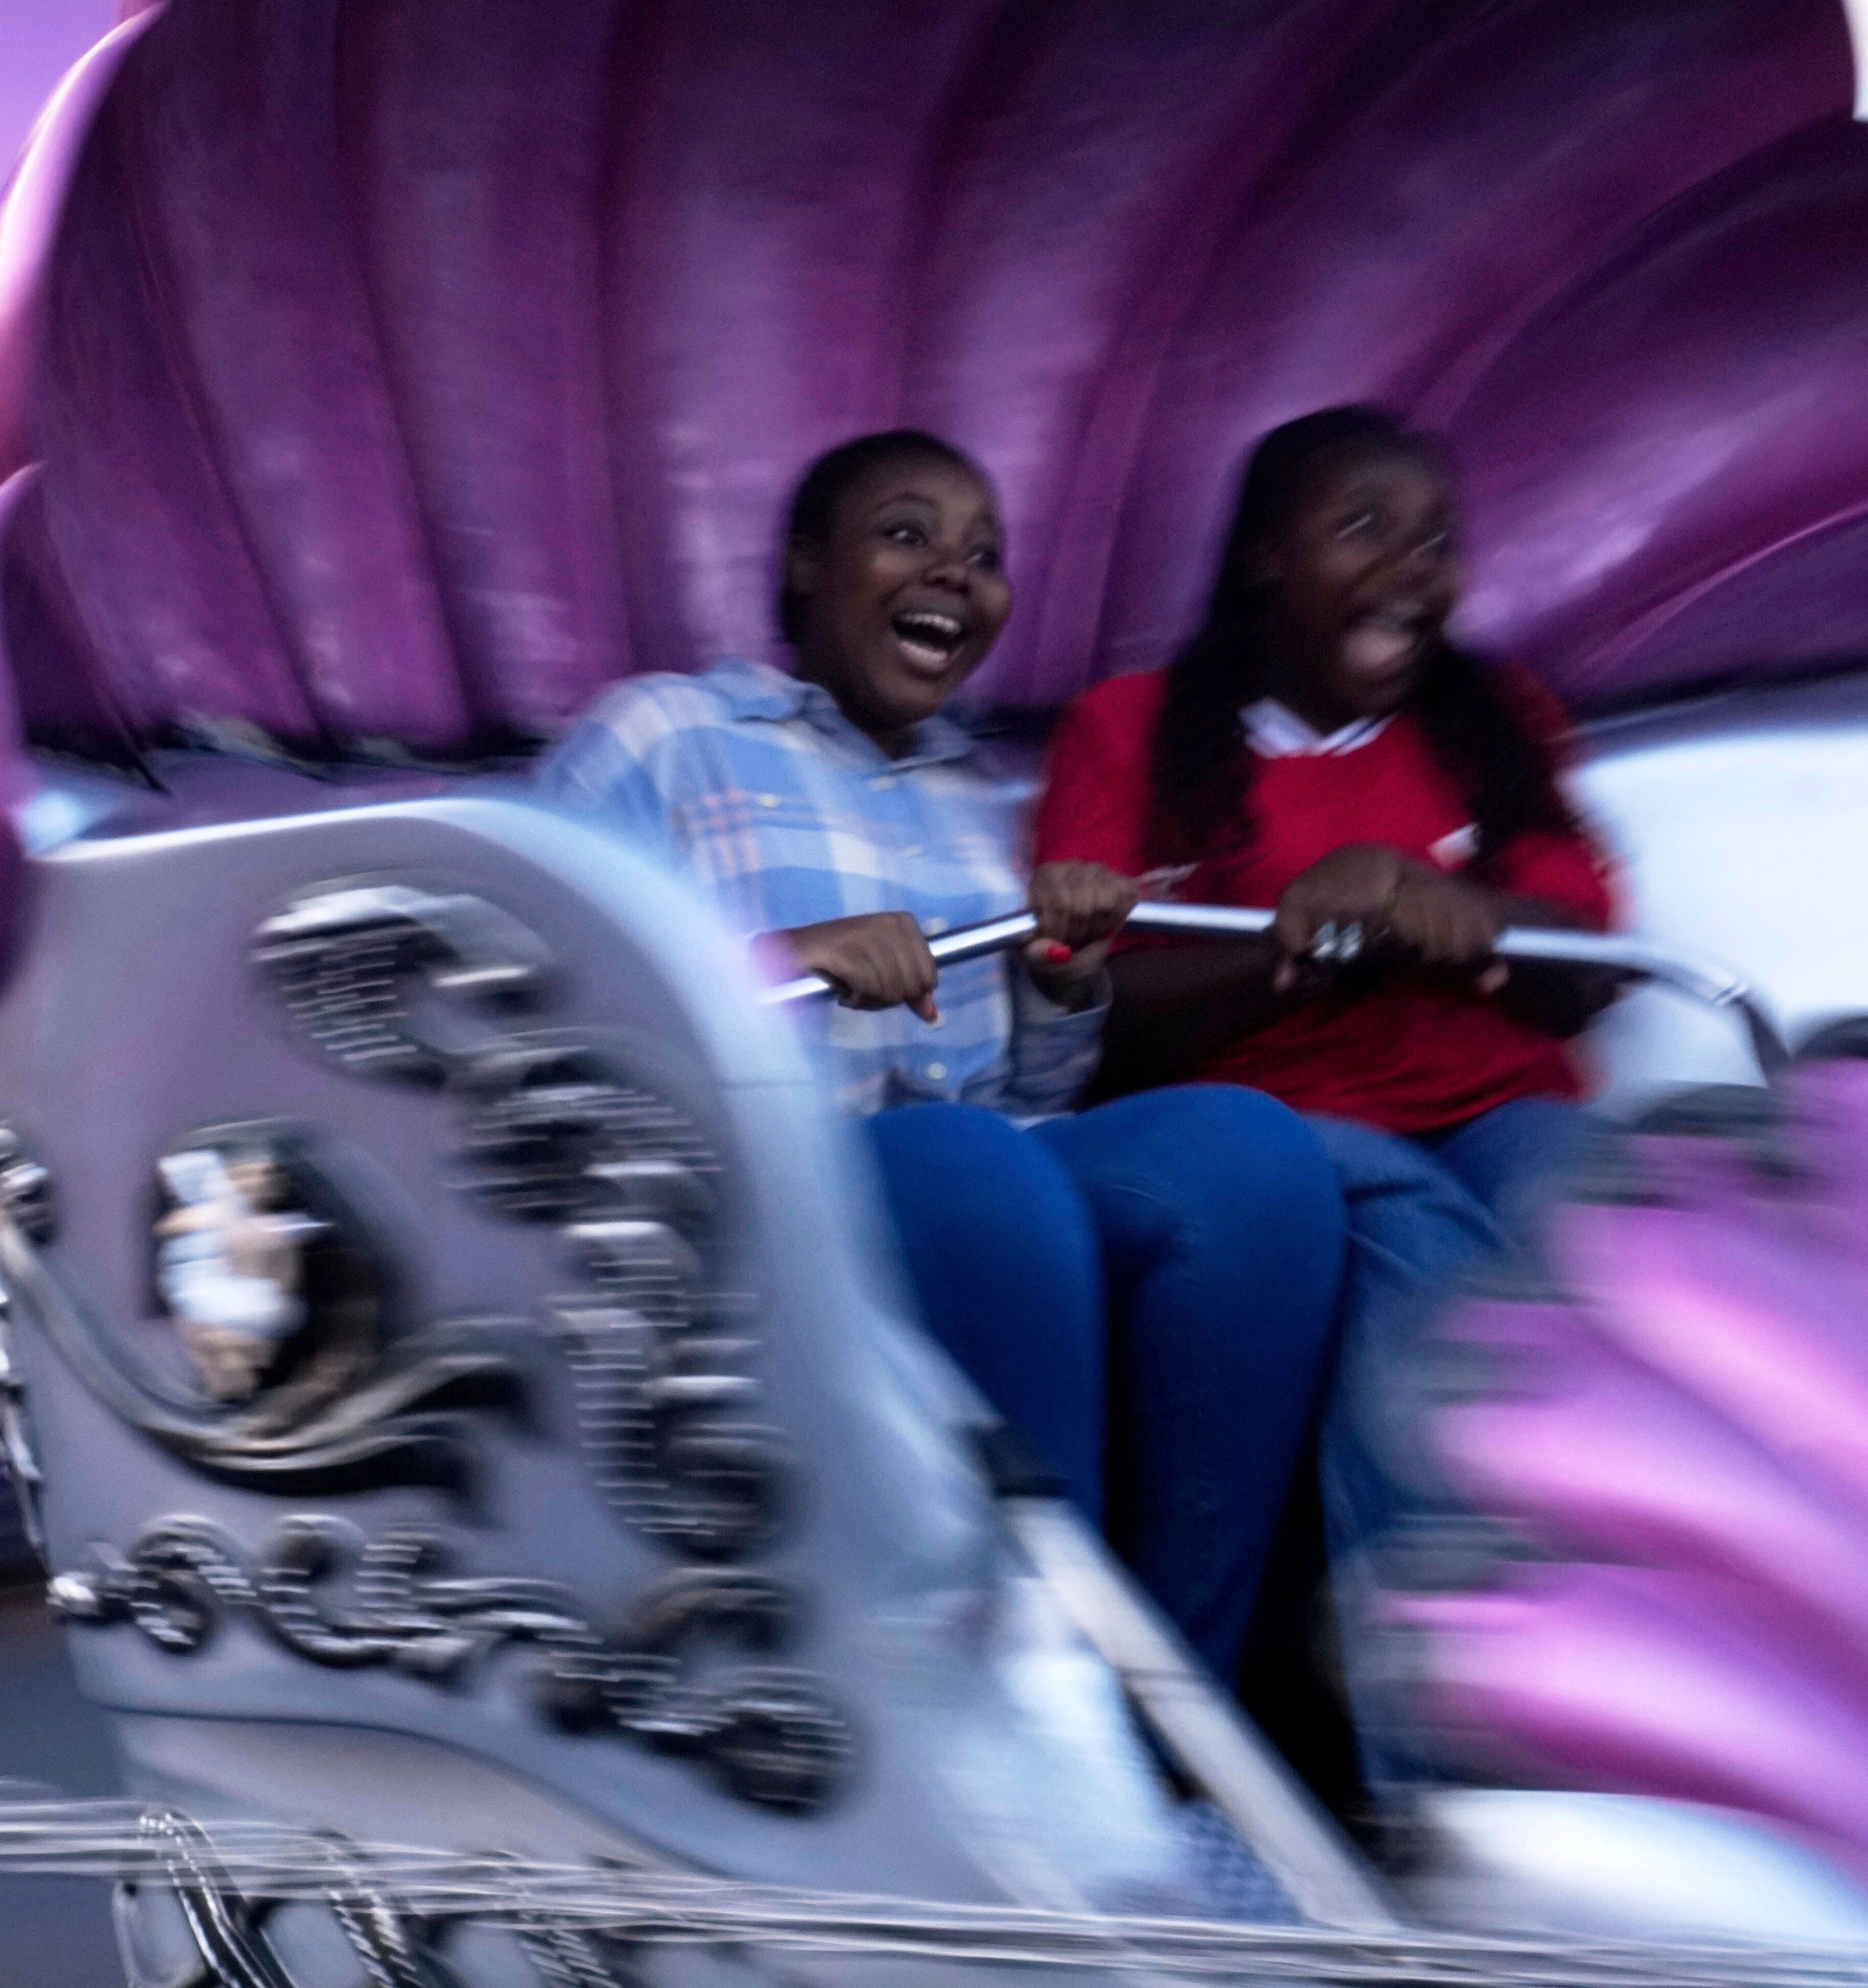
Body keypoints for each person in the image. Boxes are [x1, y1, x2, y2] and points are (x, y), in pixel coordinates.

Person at [536, 429, 1388, 1681]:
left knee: (1245, 1148)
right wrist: (782, 959)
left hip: (980, 1156)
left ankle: (1172, 1702)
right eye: (906, 535)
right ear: (806, 571)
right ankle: (1033, 1699)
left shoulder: (974, 800)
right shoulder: (666, 731)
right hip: (757, 1175)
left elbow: (1036, 1093)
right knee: (966, 1166)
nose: (955, 573)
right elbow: (528, 981)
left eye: (985, 556)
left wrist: (1071, 973)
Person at [1034, 404, 1620, 1253]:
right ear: (1265, 557)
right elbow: (1096, 1018)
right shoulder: (1124, 728)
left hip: (1508, 1112)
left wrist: (1443, 904)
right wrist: (1311, 938)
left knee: (1608, 1226)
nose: (1410, 571)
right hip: (1280, 1121)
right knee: (1416, 1237)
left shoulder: (1498, 714)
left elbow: (1587, 980)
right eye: (1364, 528)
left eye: (1436, 542)